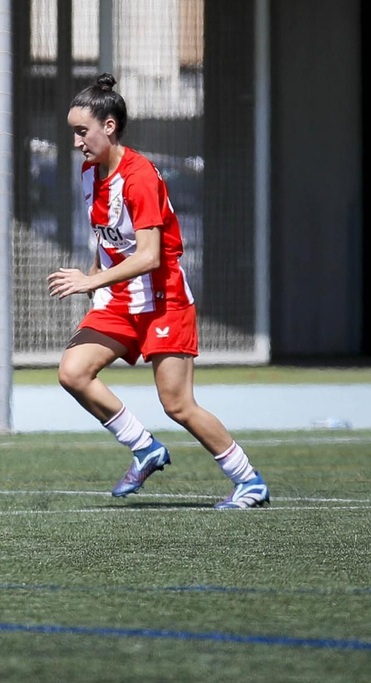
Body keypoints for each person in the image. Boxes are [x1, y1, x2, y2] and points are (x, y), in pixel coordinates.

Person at [47, 73, 268, 509]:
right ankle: (145, 448)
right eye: (73, 132)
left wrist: (89, 281)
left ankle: (249, 481)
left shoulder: (140, 176)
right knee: (72, 372)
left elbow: (149, 256)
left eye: (81, 131)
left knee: (178, 405)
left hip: (162, 301)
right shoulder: (90, 171)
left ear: (108, 127)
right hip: (118, 300)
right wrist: (96, 279)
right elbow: (106, 235)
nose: (76, 142)